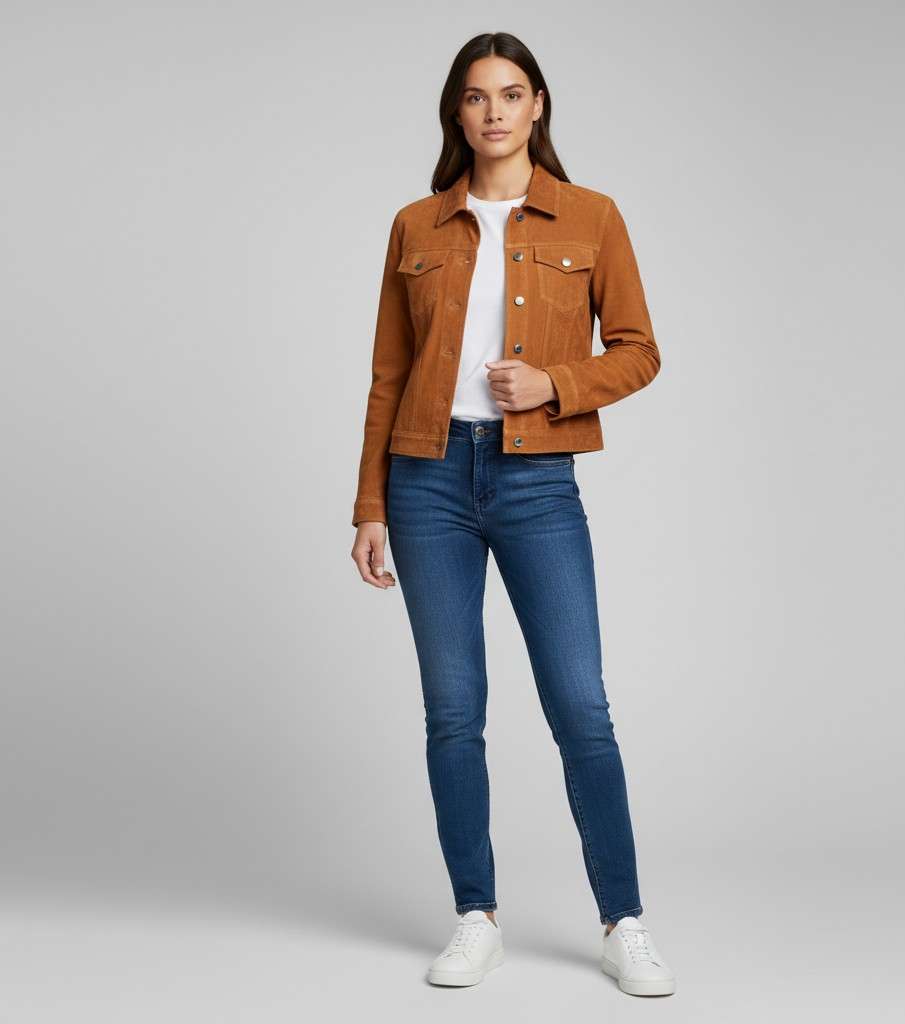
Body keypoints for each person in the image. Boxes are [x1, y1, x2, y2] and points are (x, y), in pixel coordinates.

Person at [350, 31, 674, 997]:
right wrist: (369, 504)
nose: (493, 111)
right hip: (426, 481)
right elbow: (388, 375)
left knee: (580, 705)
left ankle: (624, 923)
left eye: (511, 93)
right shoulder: (416, 225)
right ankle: (475, 917)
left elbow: (640, 349)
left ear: (538, 106)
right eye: (475, 95)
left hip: (536, 483)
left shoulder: (591, 216)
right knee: (453, 711)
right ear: (456, 112)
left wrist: (554, 384)